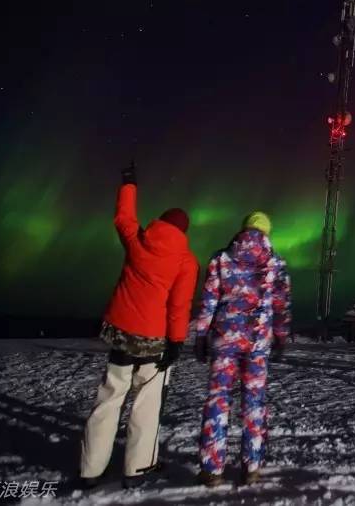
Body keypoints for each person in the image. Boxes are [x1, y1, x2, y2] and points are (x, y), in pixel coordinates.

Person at [79, 161, 199, 489]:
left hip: (121, 334)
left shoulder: (139, 241)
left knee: (110, 396)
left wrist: (129, 184)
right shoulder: (186, 262)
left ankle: (91, 469)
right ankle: (137, 469)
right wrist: (176, 342)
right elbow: (179, 306)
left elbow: (123, 219)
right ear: (184, 232)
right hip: (155, 341)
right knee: (147, 403)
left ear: (160, 222)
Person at [194, 211, 292, 487]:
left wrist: (201, 335)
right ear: (266, 233)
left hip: (224, 342)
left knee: (218, 400)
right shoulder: (276, 263)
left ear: (243, 229)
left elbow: (209, 301)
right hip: (258, 344)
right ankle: (252, 468)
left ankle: (212, 470)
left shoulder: (221, 259)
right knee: (254, 402)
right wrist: (281, 337)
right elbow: (282, 306)